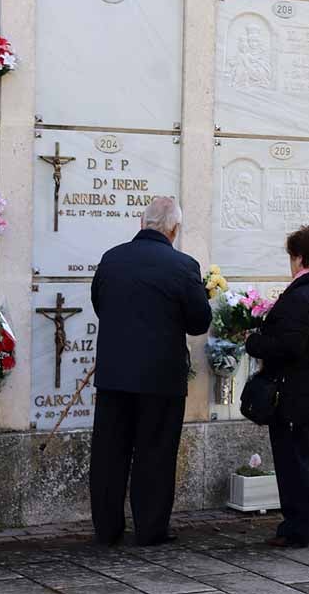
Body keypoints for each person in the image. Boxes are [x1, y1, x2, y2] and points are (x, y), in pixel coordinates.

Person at [89, 197, 212, 546]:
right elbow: (198, 322)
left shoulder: (112, 259)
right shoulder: (183, 266)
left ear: (141, 223)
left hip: (115, 375)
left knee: (110, 454)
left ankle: (107, 529)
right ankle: (150, 528)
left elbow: (100, 304)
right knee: (155, 453)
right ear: (174, 229)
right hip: (161, 378)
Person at [246, 225, 309, 548]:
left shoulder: (300, 296)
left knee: (293, 463)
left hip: (296, 393)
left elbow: (289, 348)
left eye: (291, 256)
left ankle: (297, 528)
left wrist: (254, 342)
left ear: (299, 257)